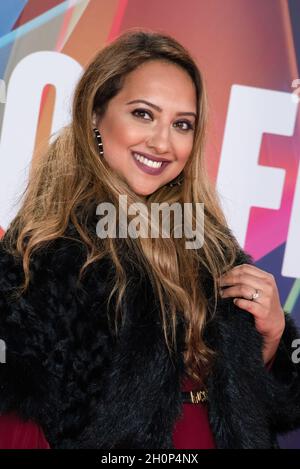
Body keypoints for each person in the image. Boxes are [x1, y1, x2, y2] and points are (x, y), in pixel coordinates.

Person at [0, 29, 300, 450]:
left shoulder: (209, 244)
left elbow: (259, 408)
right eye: (143, 113)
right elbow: (17, 421)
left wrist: (270, 339)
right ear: (94, 114)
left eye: (182, 124)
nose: (162, 142)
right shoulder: (44, 251)